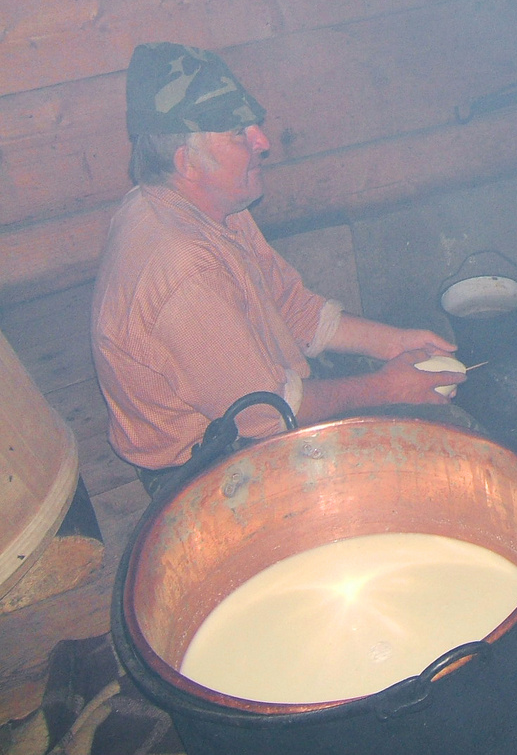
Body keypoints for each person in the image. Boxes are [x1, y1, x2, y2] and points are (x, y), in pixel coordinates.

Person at [92, 42, 465, 486]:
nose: (263, 142)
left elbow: (292, 307)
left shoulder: (210, 205)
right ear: (186, 161)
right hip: (201, 462)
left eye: (255, 126)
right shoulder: (184, 269)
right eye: (238, 133)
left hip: (252, 404)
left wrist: (393, 342)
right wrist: (388, 387)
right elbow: (264, 413)